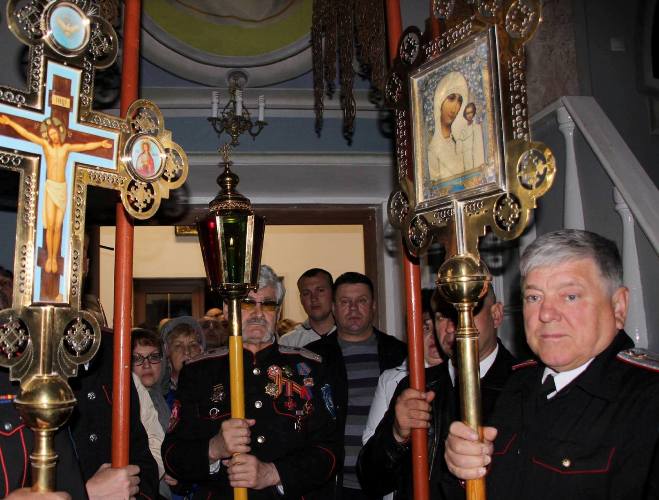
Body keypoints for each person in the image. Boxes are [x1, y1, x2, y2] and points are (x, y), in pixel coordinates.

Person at [444, 229, 659, 499]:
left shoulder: (648, 401)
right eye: (534, 297)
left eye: (570, 296)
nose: (546, 314)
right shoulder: (518, 384)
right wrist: (463, 470)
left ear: (618, 306)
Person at [161, 265, 341, 499]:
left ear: (278, 312)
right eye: (247, 303)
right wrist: (214, 448)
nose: (258, 313)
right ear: (228, 310)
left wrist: (273, 473)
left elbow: (330, 450)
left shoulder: (310, 369)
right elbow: (172, 455)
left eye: (268, 304)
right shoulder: (198, 372)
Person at [357, 287, 515, 499]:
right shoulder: (417, 386)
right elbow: (371, 480)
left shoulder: (523, 386)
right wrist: (396, 436)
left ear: (496, 315)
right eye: (442, 316)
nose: (451, 327)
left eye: (466, 311)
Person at [307, 272, 407, 499]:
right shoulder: (312, 358)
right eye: (345, 302)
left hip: (386, 481)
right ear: (333, 308)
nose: (353, 309)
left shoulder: (400, 354)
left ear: (373, 306)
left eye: (361, 301)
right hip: (330, 483)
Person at [0, 115, 111, 274]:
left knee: (58, 226)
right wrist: (10, 122)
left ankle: (54, 256)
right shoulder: (46, 146)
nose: (54, 137)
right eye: (51, 134)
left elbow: (84, 146)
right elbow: (27, 134)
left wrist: (100, 143)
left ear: (60, 134)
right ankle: (50, 257)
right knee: (50, 226)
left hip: (62, 188)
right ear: (49, 136)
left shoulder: (66, 148)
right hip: (51, 187)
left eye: (55, 134)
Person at [131, 327, 180, 498]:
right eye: (136, 358)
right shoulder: (125, 403)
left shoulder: (165, 398)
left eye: (153, 357)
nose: (146, 365)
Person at [427, 72, 468, 181]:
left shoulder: (460, 141)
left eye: (459, 101)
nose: (455, 107)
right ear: (439, 101)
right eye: (451, 98)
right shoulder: (432, 149)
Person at [279, 268, 335, 347]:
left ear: (333, 294)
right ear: (301, 300)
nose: (313, 298)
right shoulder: (288, 342)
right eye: (306, 293)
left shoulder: (350, 333)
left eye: (320, 290)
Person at [160, 316, 205, 408]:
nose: (187, 351)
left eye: (193, 345)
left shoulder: (211, 386)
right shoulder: (159, 393)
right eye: (178, 346)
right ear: (167, 351)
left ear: (201, 350)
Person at [458, 102, 485, 170]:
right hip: (465, 157)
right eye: (467, 113)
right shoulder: (463, 129)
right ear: (465, 115)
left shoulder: (476, 127)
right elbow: (460, 144)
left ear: (473, 113)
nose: (469, 115)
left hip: (474, 157)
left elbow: (479, 146)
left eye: (471, 112)